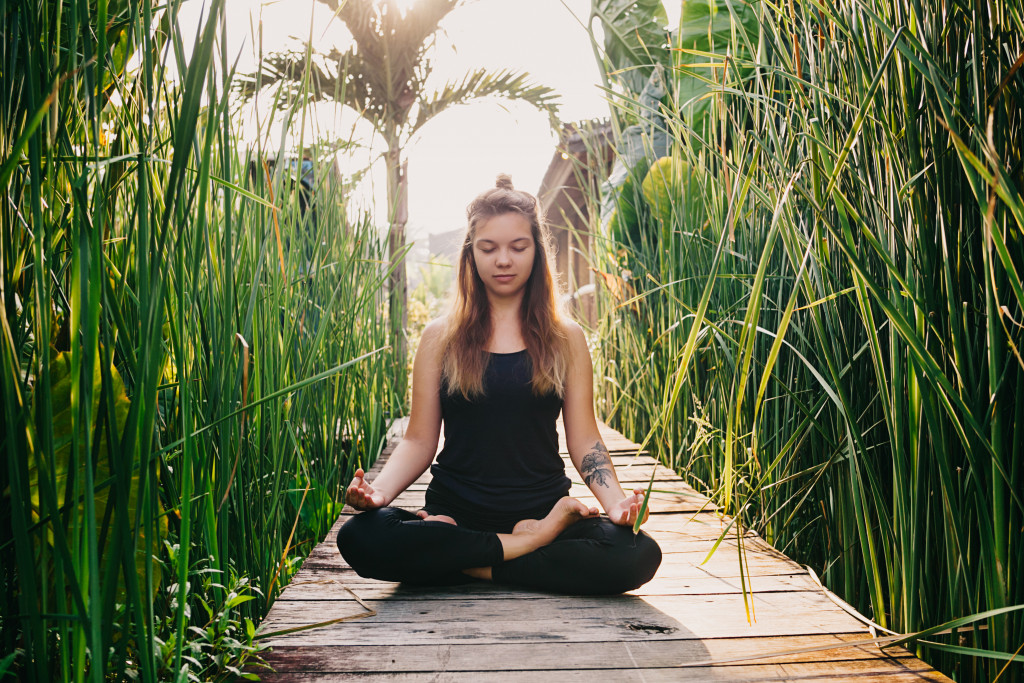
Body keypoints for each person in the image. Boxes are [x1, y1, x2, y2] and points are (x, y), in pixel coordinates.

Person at [336, 174, 662, 595]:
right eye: (488, 248)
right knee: (359, 536)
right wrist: (378, 494)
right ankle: (527, 545)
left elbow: (584, 439)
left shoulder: (567, 339)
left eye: (517, 247)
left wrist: (616, 503)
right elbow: (419, 440)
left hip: (541, 508)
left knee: (637, 554)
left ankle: (465, 562)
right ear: (471, 255)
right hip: (456, 512)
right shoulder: (440, 337)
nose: (503, 260)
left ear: (537, 252)